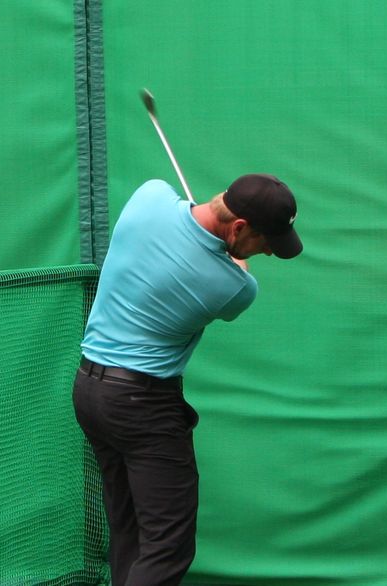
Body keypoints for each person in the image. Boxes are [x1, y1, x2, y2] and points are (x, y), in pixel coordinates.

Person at [72, 174, 302, 586]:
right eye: (265, 241)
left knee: (130, 528)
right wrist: (233, 255)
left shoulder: (150, 197)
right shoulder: (234, 288)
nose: (268, 250)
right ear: (239, 228)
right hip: (142, 408)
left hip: (90, 389)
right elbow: (236, 269)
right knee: (166, 545)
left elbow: (188, 219)